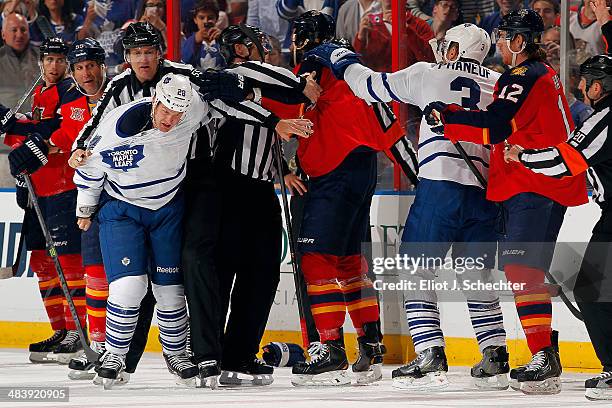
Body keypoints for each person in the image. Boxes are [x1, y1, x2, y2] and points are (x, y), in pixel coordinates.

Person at [69, 72, 311, 389]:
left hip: (168, 207)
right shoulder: (115, 130)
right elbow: (88, 168)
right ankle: (115, 355)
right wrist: (85, 208)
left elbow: (230, 106)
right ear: (155, 101)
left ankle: (178, 354)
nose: (170, 119)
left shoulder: (193, 109)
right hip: (123, 210)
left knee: (171, 291)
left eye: (176, 113)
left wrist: (273, 121)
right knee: (130, 288)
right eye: (165, 110)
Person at [307, 23, 510, 391]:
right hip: (485, 192)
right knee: (476, 277)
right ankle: (495, 355)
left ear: (454, 51)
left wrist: (340, 58)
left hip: (440, 187)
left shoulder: (426, 74)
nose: (441, 49)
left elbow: (366, 86)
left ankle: (430, 355)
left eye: (446, 45)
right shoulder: (498, 83)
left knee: (416, 273)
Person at [424, 9, 588, 395]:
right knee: (526, 272)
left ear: (519, 42)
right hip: (546, 184)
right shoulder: (540, 75)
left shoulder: (523, 75)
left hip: (532, 185)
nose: (498, 43)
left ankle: (543, 358)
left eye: (503, 36)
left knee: (521, 270)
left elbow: (495, 125)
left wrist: (446, 116)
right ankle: (545, 354)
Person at [268, 11, 418, 386]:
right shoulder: (353, 68)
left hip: (334, 170)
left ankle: (330, 347)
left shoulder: (317, 62)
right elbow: (388, 127)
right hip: (361, 166)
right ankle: (370, 341)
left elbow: (294, 102)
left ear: (303, 38)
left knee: (316, 258)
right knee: (349, 261)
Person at [504, 54, 612, 402]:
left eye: (584, 82)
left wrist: (521, 157)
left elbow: (563, 160)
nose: (579, 88)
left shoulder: (605, 119)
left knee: (592, 291)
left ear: (597, 86)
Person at [1, 36, 86, 365]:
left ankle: (78, 331)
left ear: (66, 62)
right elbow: (31, 132)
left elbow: (72, 132)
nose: (52, 66)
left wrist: (33, 141)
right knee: (41, 261)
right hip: (39, 190)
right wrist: (12, 123)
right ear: (41, 63)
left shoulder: (72, 91)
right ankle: (61, 329)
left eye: (58, 60)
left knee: (68, 262)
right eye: (48, 60)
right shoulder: (41, 93)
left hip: (64, 188)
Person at [0, 12, 39, 112]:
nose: (19, 35)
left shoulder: (43, 58)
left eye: (23, 30)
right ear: (3, 34)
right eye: (14, 30)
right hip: (6, 125)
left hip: (38, 123)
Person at [181, 0, 225, 70]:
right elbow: (183, 63)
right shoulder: (188, 40)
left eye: (210, 18)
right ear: (195, 19)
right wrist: (195, 41)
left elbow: (232, 64)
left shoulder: (223, 39)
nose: (205, 21)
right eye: (201, 18)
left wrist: (223, 41)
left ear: (216, 19)